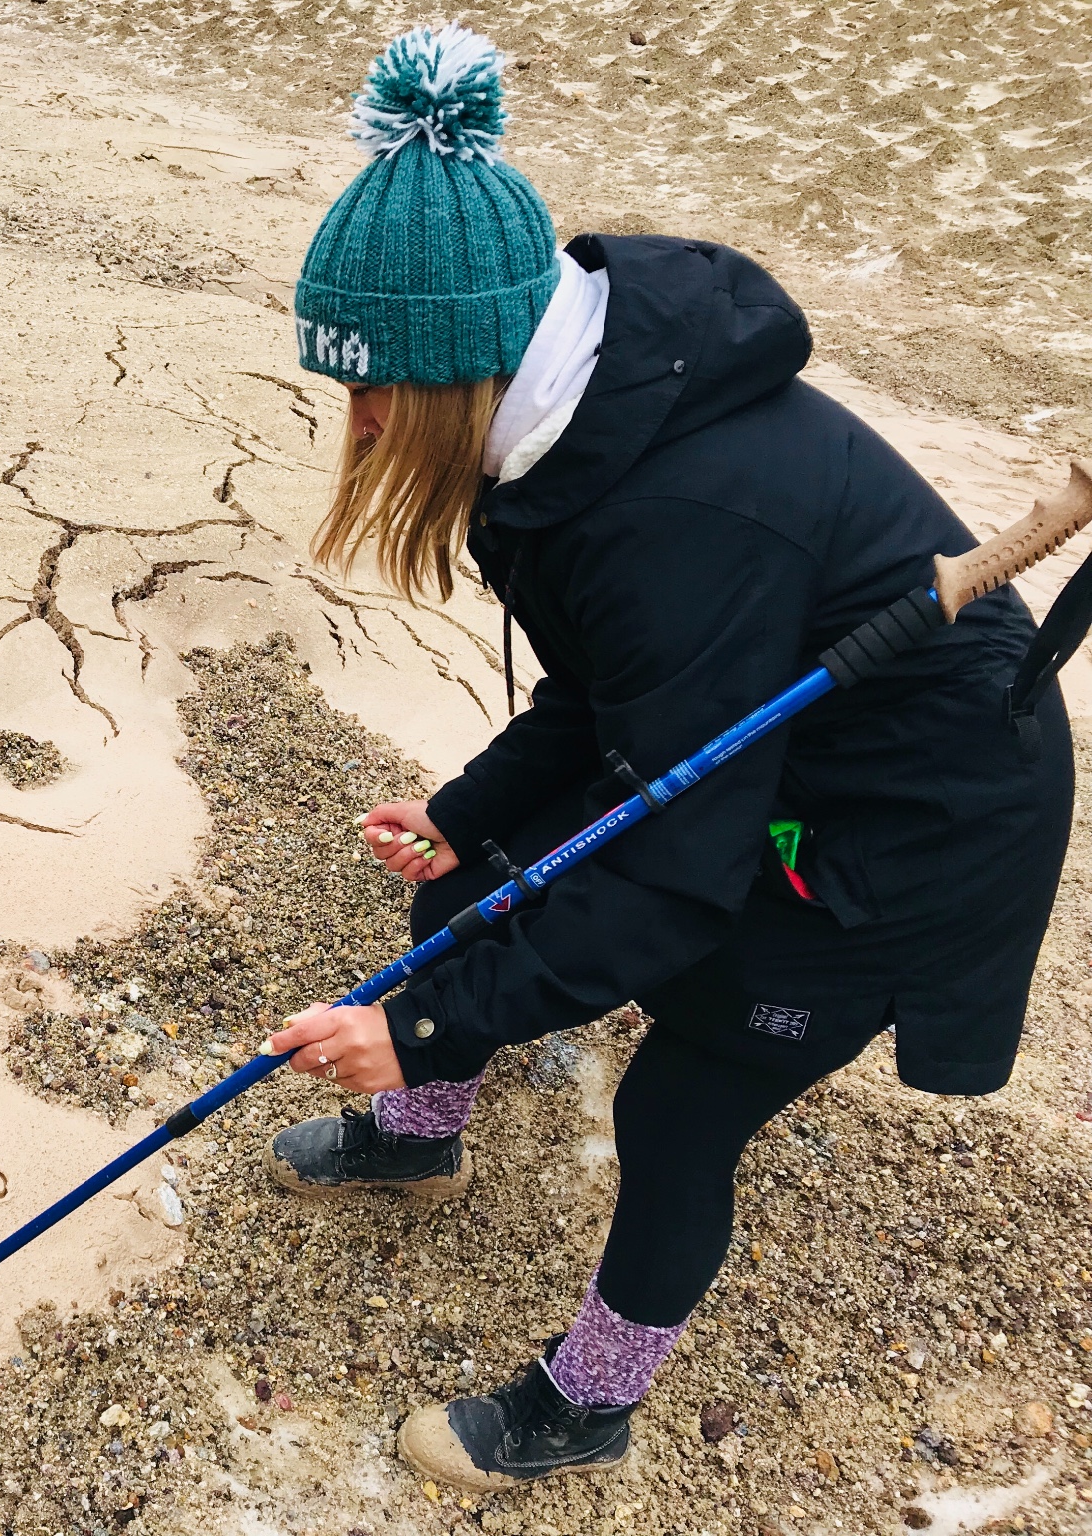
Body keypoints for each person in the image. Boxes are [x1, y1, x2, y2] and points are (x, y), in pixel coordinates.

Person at [258, 23, 1075, 1491]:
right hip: (753, 738)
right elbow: (608, 697)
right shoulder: (562, 440)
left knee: (680, 1098)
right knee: (473, 892)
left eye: (373, 391)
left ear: (467, 369)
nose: (361, 422)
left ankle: (594, 1400)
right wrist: (468, 815)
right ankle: (418, 1136)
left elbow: (686, 866)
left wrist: (432, 1021)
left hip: (905, 820)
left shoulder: (684, 521)